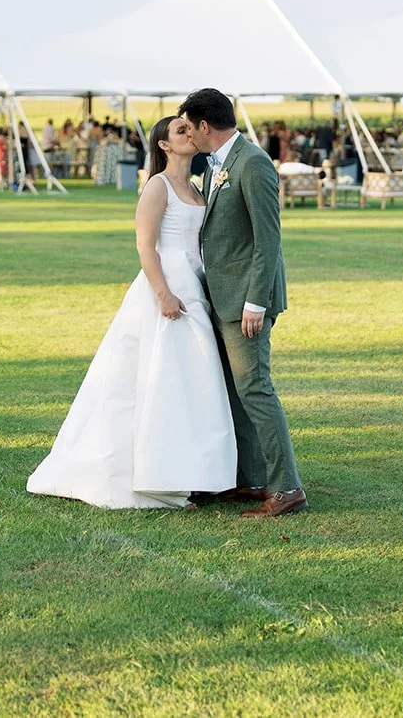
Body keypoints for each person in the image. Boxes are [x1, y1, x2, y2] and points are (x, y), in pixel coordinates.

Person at [28, 116, 235, 508]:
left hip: (196, 283)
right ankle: (157, 477)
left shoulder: (194, 186)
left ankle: (195, 471)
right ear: (164, 145)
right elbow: (145, 246)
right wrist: (163, 293)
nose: (188, 134)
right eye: (180, 131)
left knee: (194, 381)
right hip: (168, 286)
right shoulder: (157, 187)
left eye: (189, 129)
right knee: (162, 380)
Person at [178, 87, 305, 518]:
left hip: (247, 301)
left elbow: (268, 240)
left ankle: (287, 488)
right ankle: (251, 478)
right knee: (236, 392)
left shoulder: (252, 164)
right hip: (223, 296)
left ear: (204, 126)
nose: (187, 135)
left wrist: (256, 301)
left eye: (189, 127)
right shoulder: (218, 165)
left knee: (255, 389)